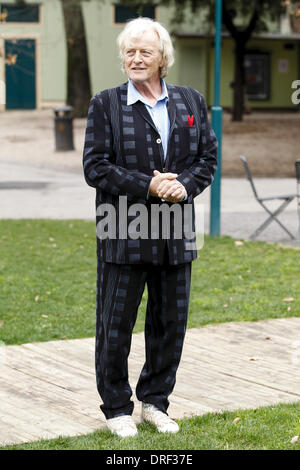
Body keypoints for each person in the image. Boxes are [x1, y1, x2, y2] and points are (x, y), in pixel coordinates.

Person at [83, 17, 218, 438]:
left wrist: (184, 187)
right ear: (123, 58)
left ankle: (156, 402)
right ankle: (117, 408)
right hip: (122, 227)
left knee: (170, 322)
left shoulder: (191, 101)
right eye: (130, 51)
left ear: (163, 59)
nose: (136, 58)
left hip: (175, 232)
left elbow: (207, 159)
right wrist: (149, 185)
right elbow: (96, 166)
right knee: (115, 323)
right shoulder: (105, 103)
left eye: (145, 51)